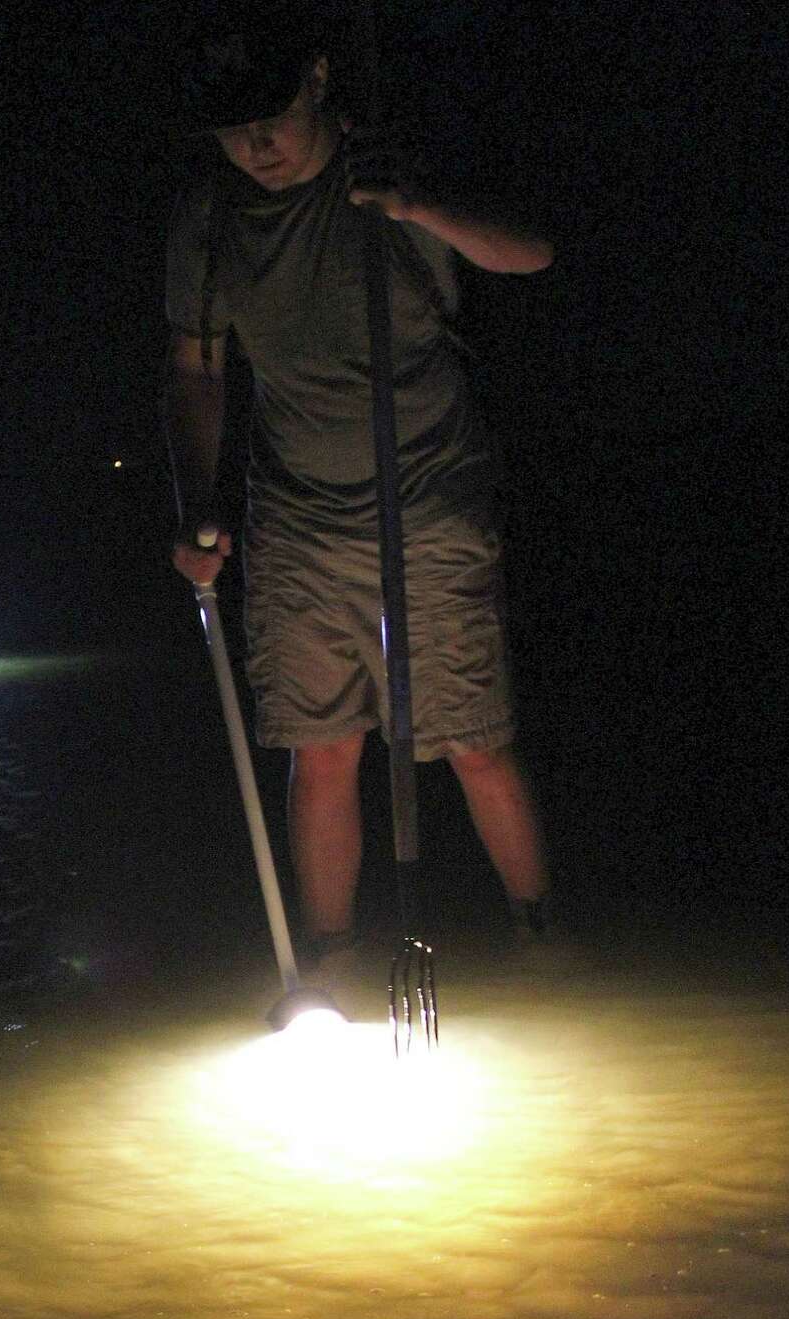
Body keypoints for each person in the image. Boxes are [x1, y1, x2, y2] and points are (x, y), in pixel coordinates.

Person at [164, 9, 557, 966]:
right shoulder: (213, 217)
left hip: (427, 495)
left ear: (318, 83)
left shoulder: (389, 169)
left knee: (472, 738)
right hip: (297, 513)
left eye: (272, 117)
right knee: (323, 744)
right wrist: (199, 505)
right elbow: (198, 369)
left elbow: (532, 251)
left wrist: (418, 206)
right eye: (233, 127)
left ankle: (547, 941)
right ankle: (330, 960)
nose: (256, 145)